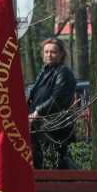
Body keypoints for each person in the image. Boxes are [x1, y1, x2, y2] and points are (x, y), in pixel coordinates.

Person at [26, 38, 77, 170]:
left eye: (53, 52)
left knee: (56, 165)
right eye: (46, 51)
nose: (49, 55)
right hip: (40, 126)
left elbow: (56, 98)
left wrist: (36, 112)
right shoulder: (45, 71)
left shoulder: (63, 72)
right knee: (38, 162)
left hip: (55, 127)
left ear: (61, 54)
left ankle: (66, 189)